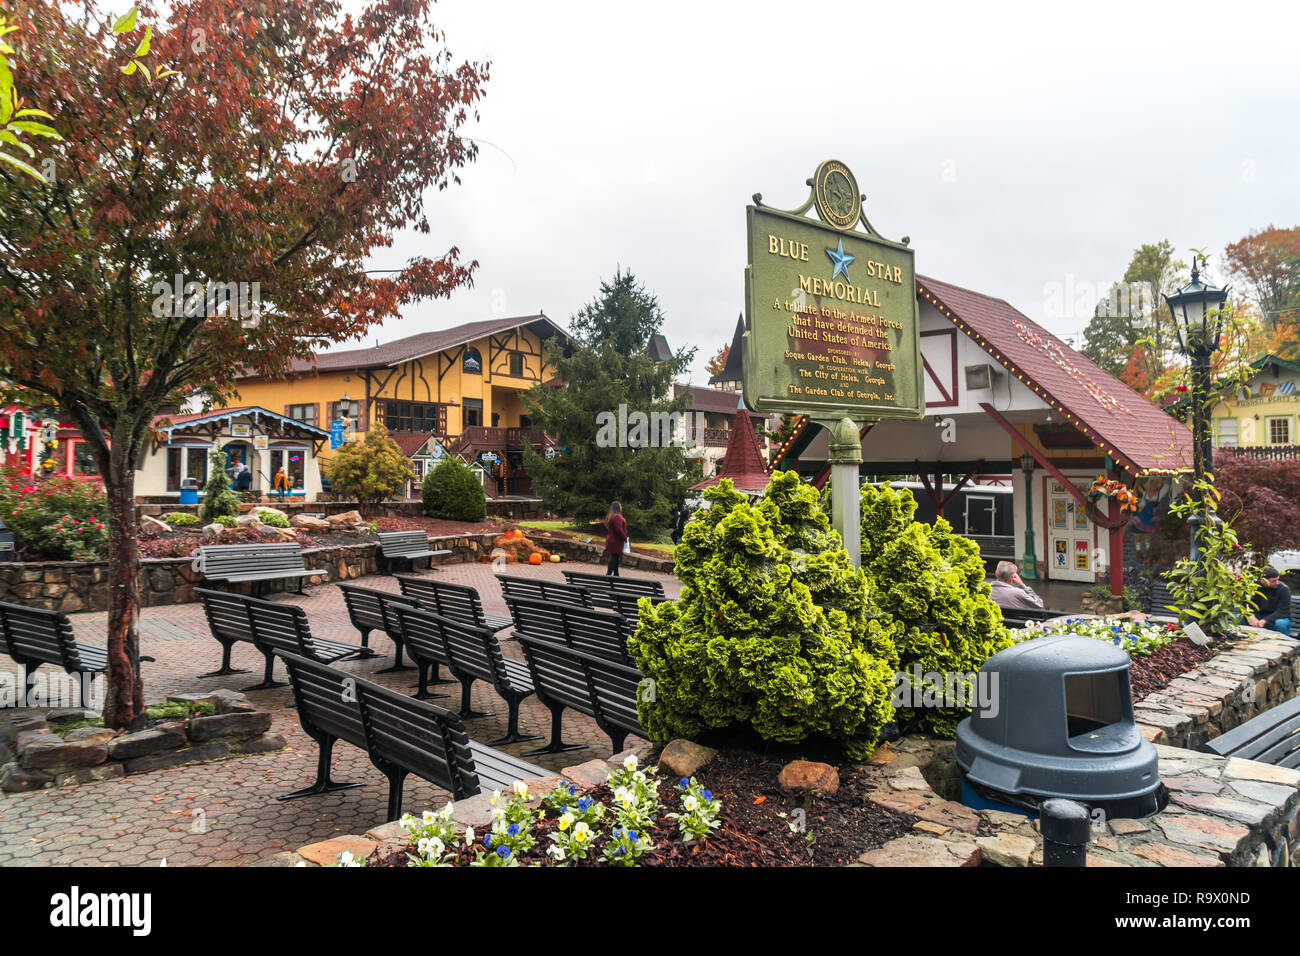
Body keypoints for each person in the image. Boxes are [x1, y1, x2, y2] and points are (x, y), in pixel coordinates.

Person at [1247, 567, 1291, 635]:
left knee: (1281, 624)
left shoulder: (1284, 589)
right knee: (1238, 617)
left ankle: (1284, 644)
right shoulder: (1254, 587)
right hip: (1258, 615)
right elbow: (1246, 604)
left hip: (1278, 617)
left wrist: (1265, 620)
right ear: (1263, 580)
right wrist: (1250, 616)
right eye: (1274, 581)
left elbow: (1283, 611)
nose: (1277, 583)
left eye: (1278, 580)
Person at [604, 500, 629, 577]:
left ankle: (616, 574)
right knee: (614, 558)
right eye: (620, 506)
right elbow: (619, 529)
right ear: (618, 507)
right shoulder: (617, 517)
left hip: (612, 540)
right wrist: (625, 538)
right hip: (615, 541)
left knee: (615, 557)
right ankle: (608, 574)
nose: (622, 507)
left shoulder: (612, 516)